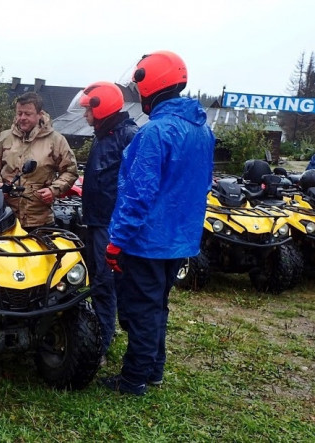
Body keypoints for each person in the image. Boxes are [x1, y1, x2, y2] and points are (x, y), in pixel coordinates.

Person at [100, 50, 215, 395]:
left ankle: (133, 378)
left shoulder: (155, 132)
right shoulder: (202, 131)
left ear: (149, 85)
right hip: (179, 239)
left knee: (141, 310)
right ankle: (154, 370)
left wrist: (117, 240)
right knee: (157, 307)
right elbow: (202, 185)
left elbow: (139, 194)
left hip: (147, 240)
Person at [77, 81, 139, 362]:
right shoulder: (104, 134)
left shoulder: (127, 136)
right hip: (96, 219)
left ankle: (100, 344)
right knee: (96, 279)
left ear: (101, 108)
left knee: (104, 282)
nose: (85, 115)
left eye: (88, 110)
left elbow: (136, 184)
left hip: (110, 222)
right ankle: (103, 331)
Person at [0, 92, 78, 231]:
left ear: (40, 114)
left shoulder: (56, 140)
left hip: (40, 218)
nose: (22, 118)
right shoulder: (4, 137)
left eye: (27, 114)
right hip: (5, 216)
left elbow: (70, 170)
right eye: (19, 113)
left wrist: (53, 190)